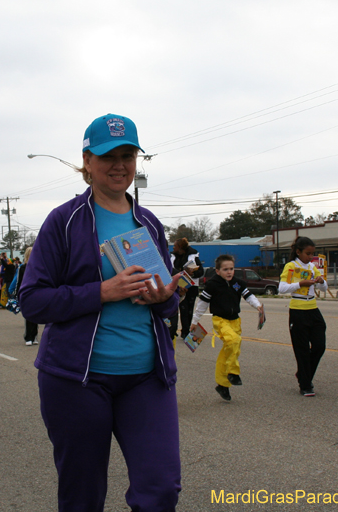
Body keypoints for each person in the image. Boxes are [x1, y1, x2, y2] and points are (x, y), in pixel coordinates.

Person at [20, 113, 181, 511]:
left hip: (146, 376)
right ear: (87, 161)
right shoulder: (64, 221)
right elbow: (33, 300)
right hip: (78, 380)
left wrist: (165, 298)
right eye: (109, 156)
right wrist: (102, 291)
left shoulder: (148, 222)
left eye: (128, 155)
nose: (120, 165)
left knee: (160, 488)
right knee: (83, 496)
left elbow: (168, 301)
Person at [190, 254, 264, 402]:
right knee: (233, 340)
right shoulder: (212, 285)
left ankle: (223, 385)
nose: (229, 272)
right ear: (217, 271)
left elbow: (248, 296)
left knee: (231, 350)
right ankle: (233, 373)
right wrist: (194, 322)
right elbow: (202, 304)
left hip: (235, 321)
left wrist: (258, 306)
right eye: (225, 269)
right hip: (220, 320)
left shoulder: (237, 283)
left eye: (231, 269)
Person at [277, 237, 328, 397]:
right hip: (298, 309)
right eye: (307, 253)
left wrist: (320, 281)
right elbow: (282, 288)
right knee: (302, 350)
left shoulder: (313, 267)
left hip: (313, 308)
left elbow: (324, 287)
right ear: (298, 252)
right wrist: (300, 284)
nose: (310, 257)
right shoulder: (291, 266)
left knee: (319, 346)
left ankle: (303, 373)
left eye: (312, 254)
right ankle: (305, 384)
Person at [168, 237, 204, 339]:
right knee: (175, 309)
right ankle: (173, 329)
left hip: (191, 287)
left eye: (175, 246)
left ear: (180, 248)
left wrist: (192, 273)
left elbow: (201, 272)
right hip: (178, 286)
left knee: (188, 310)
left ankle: (186, 332)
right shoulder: (172, 257)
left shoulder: (193, 256)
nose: (173, 247)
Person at [10, 246, 39, 346]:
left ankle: (34, 335)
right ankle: (28, 337)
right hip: (27, 293)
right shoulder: (22, 267)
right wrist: (18, 294)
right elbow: (19, 282)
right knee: (29, 315)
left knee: (36, 315)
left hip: (36, 293)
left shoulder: (38, 266)